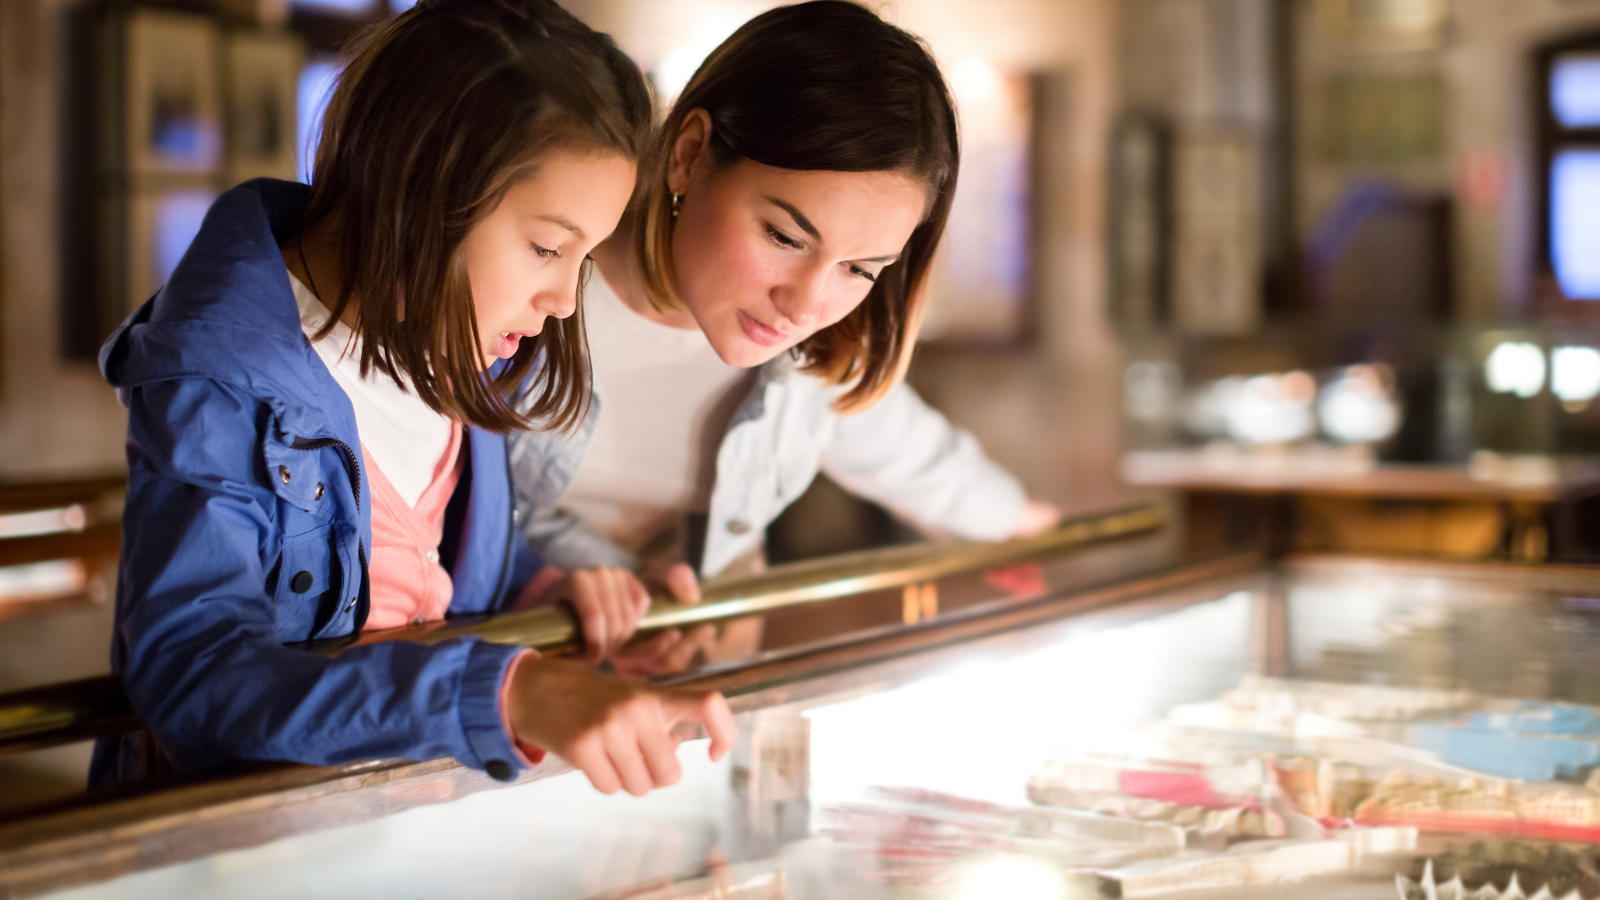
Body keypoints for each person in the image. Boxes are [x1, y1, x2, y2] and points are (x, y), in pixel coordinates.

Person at [91, 0, 732, 799]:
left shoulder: (456, 343)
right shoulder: (220, 382)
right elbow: (194, 671)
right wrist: (510, 692)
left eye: (583, 258)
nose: (565, 301)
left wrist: (550, 595)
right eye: (545, 247)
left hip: (404, 822)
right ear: (421, 191)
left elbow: (424, 566)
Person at [509, 0, 1060, 666]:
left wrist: (1033, 533)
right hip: (507, 671)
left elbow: (922, 461)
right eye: (783, 236)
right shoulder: (528, 297)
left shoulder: (818, 360)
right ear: (689, 155)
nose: (807, 301)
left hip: (676, 682)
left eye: (861, 268)